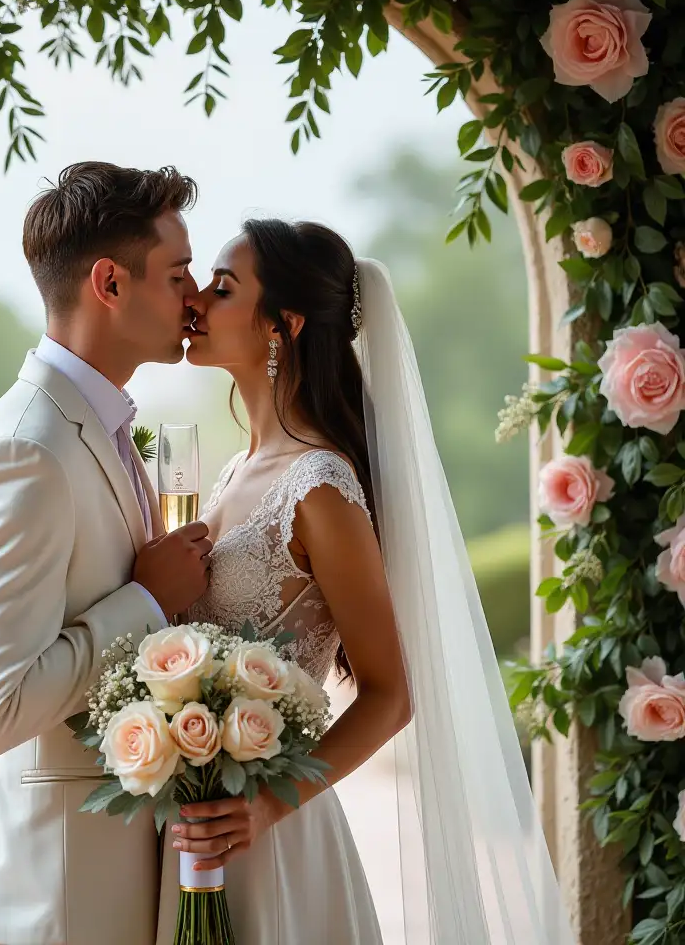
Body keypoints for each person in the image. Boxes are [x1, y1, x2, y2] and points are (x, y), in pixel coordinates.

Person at [158, 219, 576, 944]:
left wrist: (267, 806)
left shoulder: (318, 486)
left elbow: (391, 694)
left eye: (223, 289)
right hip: (197, 830)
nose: (196, 300)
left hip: (270, 834)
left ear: (281, 326)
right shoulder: (232, 469)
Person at [0, 162, 212, 945]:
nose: (195, 296)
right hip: (59, 893)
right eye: (177, 273)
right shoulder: (26, 450)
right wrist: (148, 601)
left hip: (113, 874)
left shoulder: (97, 424)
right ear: (109, 283)